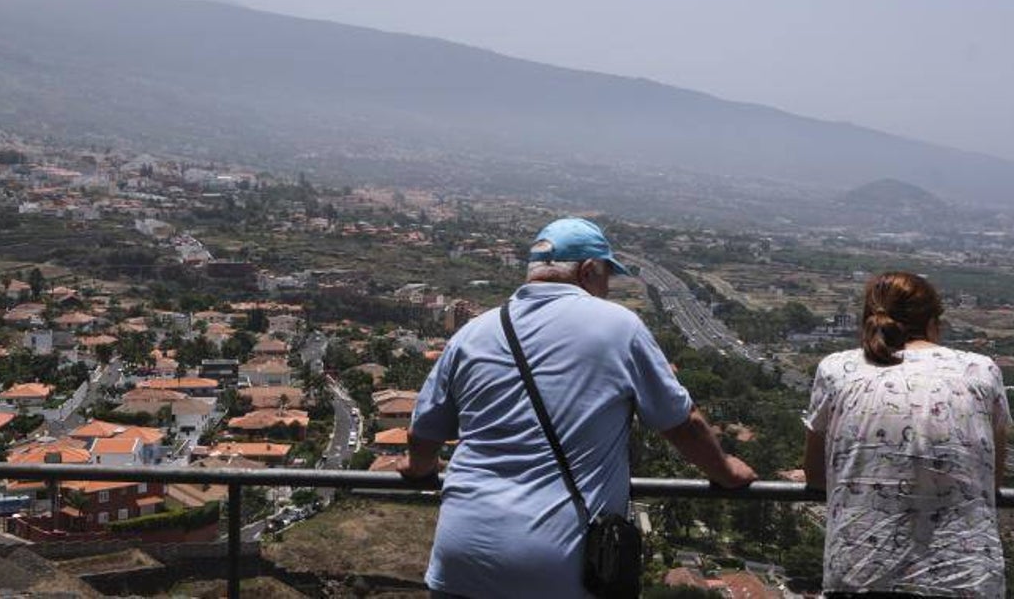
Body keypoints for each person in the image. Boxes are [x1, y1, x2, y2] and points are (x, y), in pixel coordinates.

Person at [400, 217, 757, 599]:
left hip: (462, 559)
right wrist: (725, 470)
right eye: (606, 277)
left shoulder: (473, 332)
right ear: (587, 271)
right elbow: (681, 423)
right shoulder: (620, 326)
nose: (606, 289)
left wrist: (419, 468)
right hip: (556, 566)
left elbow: (423, 434)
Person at [803, 271, 1010, 597]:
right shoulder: (982, 371)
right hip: (966, 578)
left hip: (861, 573)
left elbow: (815, 476)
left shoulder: (837, 369)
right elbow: (991, 479)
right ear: (933, 322)